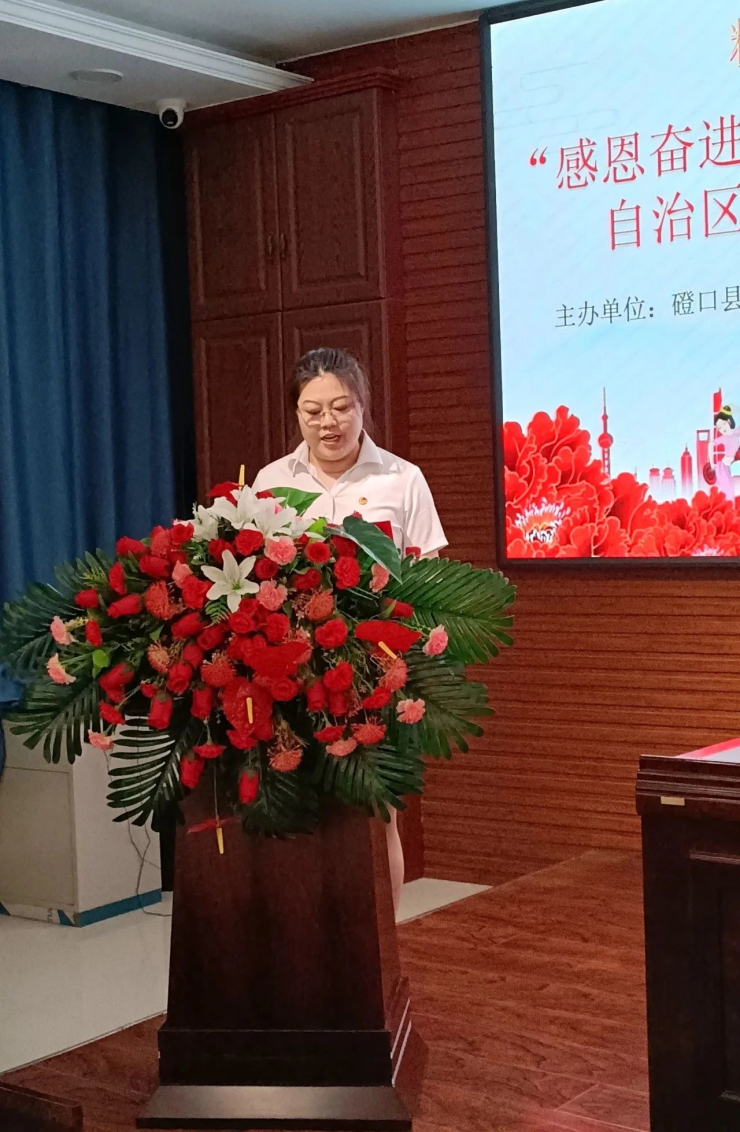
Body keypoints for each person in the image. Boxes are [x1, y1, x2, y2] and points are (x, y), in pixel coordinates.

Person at [251, 347, 447, 913]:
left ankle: (384, 939)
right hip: (293, 674)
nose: (327, 423)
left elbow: (430, 579)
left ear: (363, 405)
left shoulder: (402, 479)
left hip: (375, 670)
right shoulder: (271, 481)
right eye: (312, 412)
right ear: (296, 414)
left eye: (341, 407)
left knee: (376, 812)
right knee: (301, 809)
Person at [711, 405, 740, 502]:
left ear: (728, 421)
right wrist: (711, 464)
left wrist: (736, 410)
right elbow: (711, 444)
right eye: (719, 427)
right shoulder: (724, 438)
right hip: (723, 467)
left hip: (733, 465)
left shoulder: (736, 432)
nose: (722, 428)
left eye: (723, 424)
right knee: (729, 494)